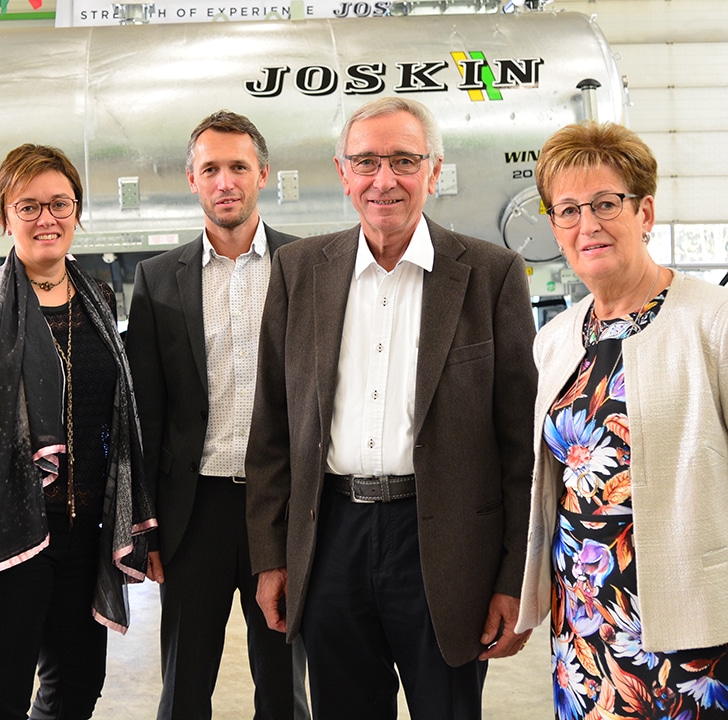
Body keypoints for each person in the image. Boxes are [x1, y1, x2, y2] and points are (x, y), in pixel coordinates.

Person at [245, 97, 538, 720]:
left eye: (405, 161)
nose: (385, 180)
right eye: (367, 162)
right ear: (342, 172)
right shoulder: (299, 270)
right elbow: (272, 426)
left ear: (433, 172)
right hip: (331, 540)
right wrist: (272, 557)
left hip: (448, 545)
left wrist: (515, 577)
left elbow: (520, 447)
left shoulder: (491, 274)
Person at [515, 121, 728, 719]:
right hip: (585, 622)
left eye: (607, 203)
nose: (589, 224)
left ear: (645, 211)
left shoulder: (712, 322)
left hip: (695, 628)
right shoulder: (556, 339)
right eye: (568, 210)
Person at [0, 143, 156, 719]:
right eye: (28, 206)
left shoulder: (99, 299)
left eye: (60, 204)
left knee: (77, 686)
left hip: (82, 530)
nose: (47, 219)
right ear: (4, 217)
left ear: (78, 213)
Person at [125, 110, 310, 720]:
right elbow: (145, 413)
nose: (225, 180)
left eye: (237, 166)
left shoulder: (306, 267)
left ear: (262, 173)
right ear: (192, 179)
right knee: (183, 689)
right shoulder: (156, 280)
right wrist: (144, 524)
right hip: (191, 513)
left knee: (283, 688)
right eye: (211, 169)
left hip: (278, 509)